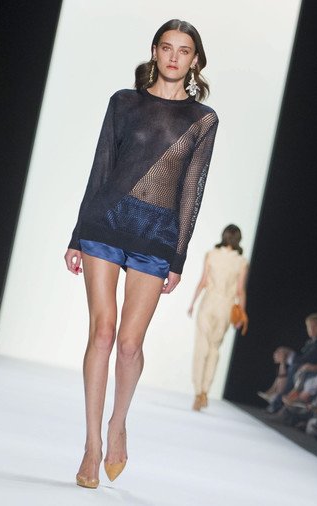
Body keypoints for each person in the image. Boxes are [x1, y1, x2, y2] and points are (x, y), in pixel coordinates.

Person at [63, 19, 217, 489]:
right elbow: (101, 167)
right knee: (103, 332)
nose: (174, 57)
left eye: (184, 50)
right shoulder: (123, 103)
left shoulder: (202, 119)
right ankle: (91, 445)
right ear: (154, 51)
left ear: (194, 60)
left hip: (156, 234)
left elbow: (191, 192)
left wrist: (179, 258)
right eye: (167, 47)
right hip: (105, 223)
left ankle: (118, 423)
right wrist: (77, 234)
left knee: (130, 344)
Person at [187, 224, 248, 411]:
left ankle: (198, 391)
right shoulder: (241, 261)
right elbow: (240, 291)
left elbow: (203, 281)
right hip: (225, 307)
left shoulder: (211, 254)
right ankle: (205, 391)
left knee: (202, 347)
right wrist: (241, 315)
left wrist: (192, 303)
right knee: (214, 349)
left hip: (208, 303)